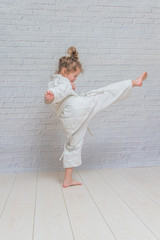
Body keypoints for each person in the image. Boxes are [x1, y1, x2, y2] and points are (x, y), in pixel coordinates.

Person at [44, 46, 148, 188]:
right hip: (76, 109)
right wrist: (54, 94)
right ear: (64, 71)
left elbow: (57, 94)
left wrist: (52, 97)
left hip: (69, 121)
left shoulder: (55, 81)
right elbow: (59, 90)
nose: (75, 80)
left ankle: (67, 180)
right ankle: (133, 83)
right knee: (101, 94)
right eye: (74, 76)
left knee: (73, 146)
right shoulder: (62, 83)